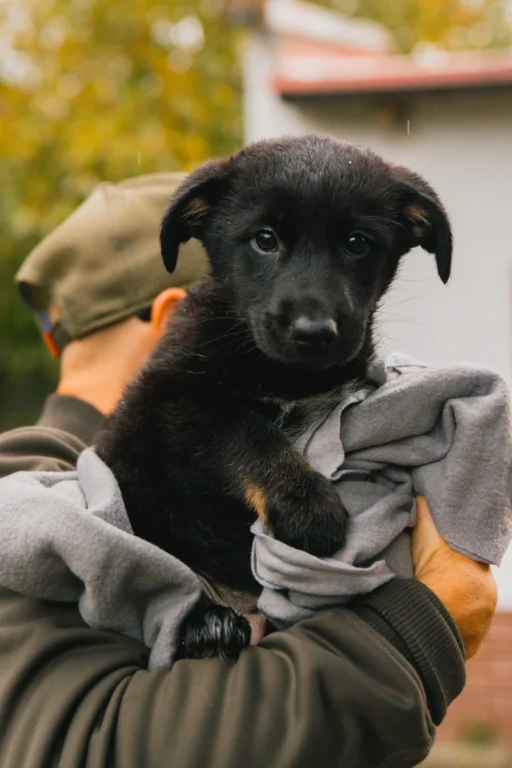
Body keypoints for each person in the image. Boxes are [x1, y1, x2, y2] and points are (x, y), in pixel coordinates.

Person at [0, 174, 496, 768]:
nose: (313, 314)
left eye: (355, 246)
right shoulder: (28, 498)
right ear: (176, 313)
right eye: (264, 246)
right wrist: (418, 624)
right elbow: (100, 746)